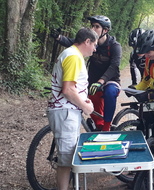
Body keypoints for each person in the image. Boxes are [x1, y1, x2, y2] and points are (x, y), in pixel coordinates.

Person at [50, 15, 122, 131]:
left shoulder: (114, 46)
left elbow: (114, 66)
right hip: (93, 79)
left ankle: (107, 126)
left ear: (105, 30)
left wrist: (101, 81)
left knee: (110, 92)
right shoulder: (88, 42)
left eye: (97, 26)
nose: (93, 29)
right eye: (92, 26)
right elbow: (74, 43)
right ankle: (98, 125)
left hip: (110, 80)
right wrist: (58, 37)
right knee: (87, 96)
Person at [47, 27, 97, 190]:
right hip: (65, 112)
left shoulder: (71, 54)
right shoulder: (73, 56)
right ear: (87, 41)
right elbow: (68, 89)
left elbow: (73, 87)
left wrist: (83, 101)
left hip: (67, 111)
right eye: (94, 45)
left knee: (68, 158)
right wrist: (85, 106)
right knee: (66, 161)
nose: (95, 49)